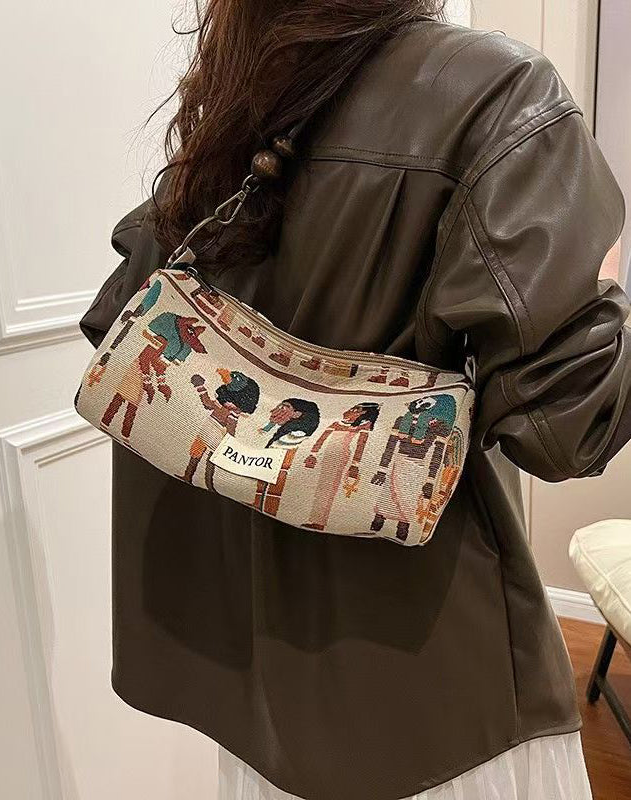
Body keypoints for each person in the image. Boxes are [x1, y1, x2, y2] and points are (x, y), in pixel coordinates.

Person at [80, 3, 631, 799]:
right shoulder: (497, 92)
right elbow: (569, 427)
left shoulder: (238, 94)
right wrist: (602, 281)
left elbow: (121, 314)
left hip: (254, 690)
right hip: (435, 693)